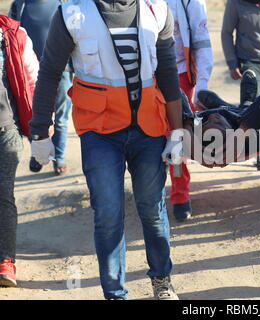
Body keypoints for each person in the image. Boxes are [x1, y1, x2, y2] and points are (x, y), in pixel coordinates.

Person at [28, 0, 183, 300]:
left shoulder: (158, 9)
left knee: (152, 209)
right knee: (109, 213)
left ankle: (162, 281)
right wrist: (39, 130)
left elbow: (167, 70)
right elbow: (49, 72)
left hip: (148, 127)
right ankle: (115, 294)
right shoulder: (72, 13)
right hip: (99, 131)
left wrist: (176, 132)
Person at [9, 0, 74, 176]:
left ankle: (58, 157)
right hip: (28, 72)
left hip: (61, 69)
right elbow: (11, 35)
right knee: (32, 115)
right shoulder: (19, 4)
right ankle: (38, 151)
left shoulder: (62, 3)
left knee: (59, 118)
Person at [164, 0, 213, 222]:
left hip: (180, 75)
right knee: (146, 136)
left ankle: (179, 193)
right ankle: (151, 188)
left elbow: (202, 42)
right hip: (144, 76)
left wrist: (201, 86)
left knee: (176, 136)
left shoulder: (189, 2)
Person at [0, 15, 38, 287]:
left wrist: (39, 127)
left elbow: (32, 79)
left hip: (6, 130)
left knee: (3, 194)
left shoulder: (13, 34)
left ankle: (6, 260)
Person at [221, 0, 260, 168]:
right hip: (248, 63)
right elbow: (226, 33)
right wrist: (232, 63)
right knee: (252, 109)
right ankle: (253, 152)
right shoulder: (236, 4)